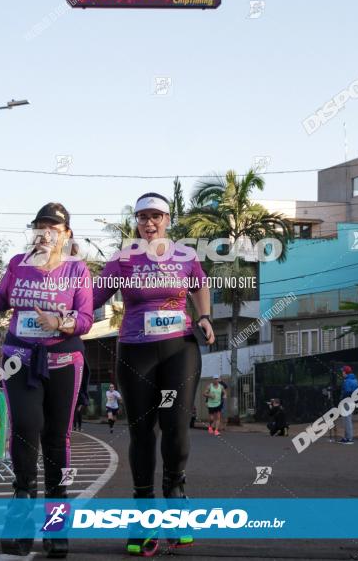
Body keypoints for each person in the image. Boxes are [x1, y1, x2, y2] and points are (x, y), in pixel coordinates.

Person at [93, 192, 214, 556]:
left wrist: (204, 316)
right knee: (142, 432)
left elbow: (200, 284)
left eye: (156, 216)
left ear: (167, 219)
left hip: (179, 349)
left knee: (176, 426)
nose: (149, 223)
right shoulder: (123, 258)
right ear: (137, 221)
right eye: (143, 217)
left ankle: (176, 495)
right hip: (135, 350)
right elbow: (94, 296)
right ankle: (142, 514)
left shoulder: (185, 255)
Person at [0, 202, 93, 558]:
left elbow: (86, 318)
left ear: (66, 234)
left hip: (64, 359)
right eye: (39, 226)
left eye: (52, 227)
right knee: (25, 427)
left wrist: (61, 323)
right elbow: (1, 301)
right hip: (19, 359)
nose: (44, 233)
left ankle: (57, 523)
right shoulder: (17, 264)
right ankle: (21, 515)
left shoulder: (77, 270)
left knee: (57, 439)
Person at [339, 366, 358, 445]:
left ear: (345, 372)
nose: (342, 373)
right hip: (352, 401)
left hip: (347, 402)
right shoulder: (355, 380)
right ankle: (346, 437)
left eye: (343, 371)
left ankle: (349, 438)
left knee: (347, 420)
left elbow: (346, 392)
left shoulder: (347, 381)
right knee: (347, 419)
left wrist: (342, 400)